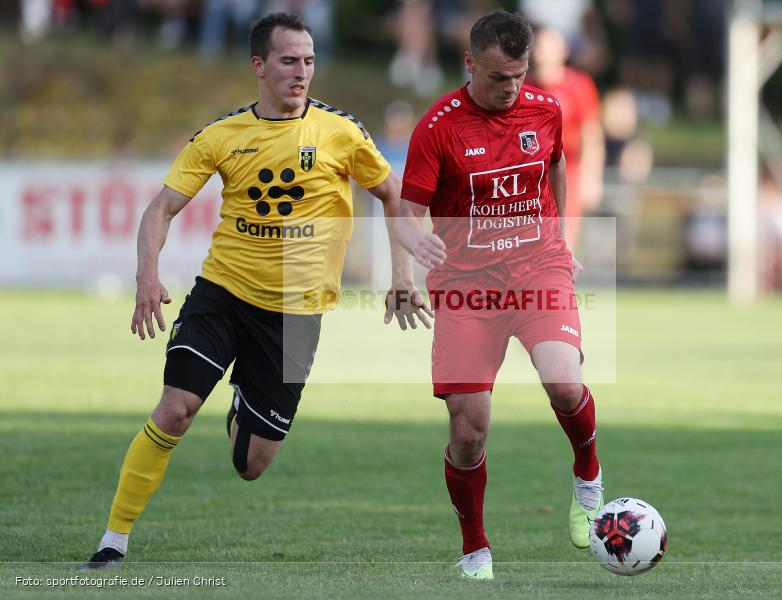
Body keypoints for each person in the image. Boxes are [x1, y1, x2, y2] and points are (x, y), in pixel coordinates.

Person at [80, 12, 427, 570]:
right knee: (175, 409)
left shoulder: (340, 132)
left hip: (295, 316)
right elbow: (160, 208)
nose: (302, 72)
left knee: (252, 464)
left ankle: (243, 400)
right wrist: (148, 274)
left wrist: (403, 277)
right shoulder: (222, 135)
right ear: (259, 66)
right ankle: (112, 542)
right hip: (223, 294)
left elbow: (394, 194)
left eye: (310, 61)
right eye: (290, 61)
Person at [391, 9, 604, 580]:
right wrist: (413, 256)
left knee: (564, 380)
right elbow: (407, 213)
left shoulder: (547, 107)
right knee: (468, 428)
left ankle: (587, 472)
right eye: (496, 78)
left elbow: (555, 165)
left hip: (537, 269)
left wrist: (558, 236)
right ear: (469, 64)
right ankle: (475, 547)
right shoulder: (438, 126)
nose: (510, 89)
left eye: (518, 75)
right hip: (466, 286)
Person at [528, 25, 604, 251]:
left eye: (548, 46)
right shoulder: (524, 85)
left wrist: (592, 178)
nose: (542, 52)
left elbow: (591, 134)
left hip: (567, 172)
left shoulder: (579, 85)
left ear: (564, 51)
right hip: (531, 174)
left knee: (563, 239)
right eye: (539, 46)